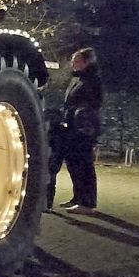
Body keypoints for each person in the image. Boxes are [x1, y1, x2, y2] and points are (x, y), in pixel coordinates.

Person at [48, 48, 103, 214]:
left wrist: (75, 114)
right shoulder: (78, 79)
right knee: (74, 164)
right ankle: (78, 198)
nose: (73, 64)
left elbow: (92, 105)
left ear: (87, 62)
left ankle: (87, 203)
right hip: (73, 127)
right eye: (73, 60)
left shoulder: (92, 81)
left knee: (84, 164)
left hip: (83, 129)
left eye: (77, 61)